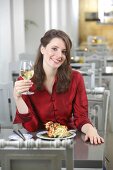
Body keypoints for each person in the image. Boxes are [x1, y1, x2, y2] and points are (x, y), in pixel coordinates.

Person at [13, 29, 104, 144]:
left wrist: (90, 129)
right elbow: (31, 127)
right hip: (38, 143)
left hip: (69, 140)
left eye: (64, 51)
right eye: (54, 49)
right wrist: (18, 98)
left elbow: (81, 117)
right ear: (42, 49)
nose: (59, 55)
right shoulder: (25, 81)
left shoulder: (76, 78)